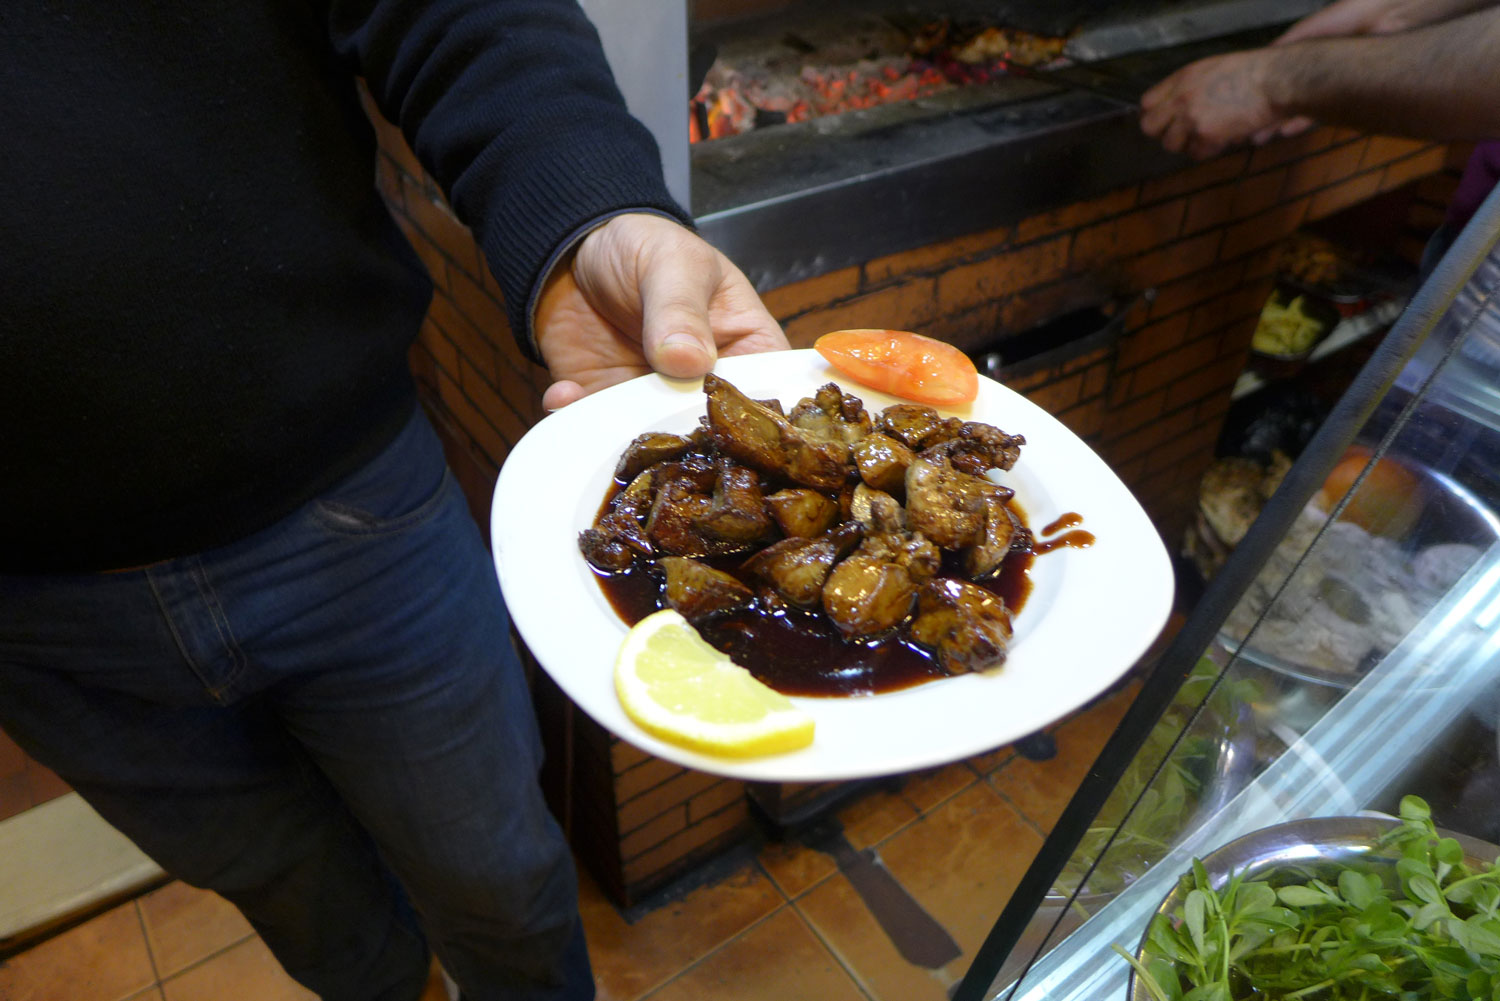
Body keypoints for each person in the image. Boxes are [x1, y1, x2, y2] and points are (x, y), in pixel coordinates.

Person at [0, 4, 786, 1001]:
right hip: (36, 620)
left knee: (500, 875)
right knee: (306, 907)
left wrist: (585, 200)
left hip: (354, 510)